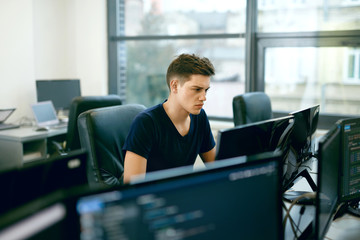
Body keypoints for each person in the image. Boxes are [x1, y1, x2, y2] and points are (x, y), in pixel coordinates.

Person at [123, 53, 216, 183]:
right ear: (174, 86)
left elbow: (218, 167)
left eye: (206, 90)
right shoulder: (146, 123)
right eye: (197, 89)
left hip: (183, 195)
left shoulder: (200, 118)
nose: (203, 97)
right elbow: (131, 187)